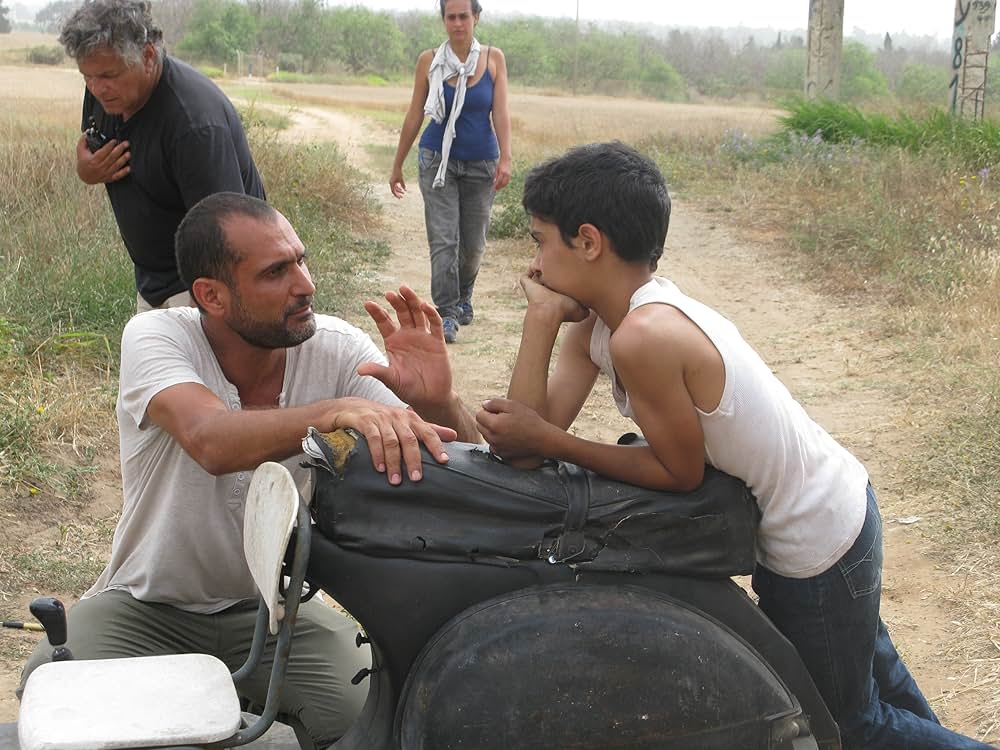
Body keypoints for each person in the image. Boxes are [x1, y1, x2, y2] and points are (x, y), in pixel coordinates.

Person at [475, 142, 996, 750]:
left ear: (588, 242)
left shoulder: (646, 335)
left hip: (816, 539)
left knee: (850, 724)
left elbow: (678, 472)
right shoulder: (604, 322)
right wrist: (540, 322)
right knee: (876, 700)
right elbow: (525, 448)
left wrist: (552, 438)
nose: (533, 261)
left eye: (540, 241)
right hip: (836, 510)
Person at [18, 192, 479, 747]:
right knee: (54, 689)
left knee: (374, 714)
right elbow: (211, 441)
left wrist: (439, 404)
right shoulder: (158, 337)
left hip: (272, 613)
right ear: (211, 295)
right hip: (147, 605)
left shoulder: (335, 348)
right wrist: (333, 411)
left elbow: (458, 470)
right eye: (275, 272)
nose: (306, 284)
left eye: (301, 261)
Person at [59, 0, 266, 313]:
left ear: (148, 55)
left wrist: (213, 318)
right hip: (153, 280)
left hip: (207, 286)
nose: (97, 89)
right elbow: (97, 152)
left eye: (108, 75)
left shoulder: (194, 125)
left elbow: (229, 236)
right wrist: (87, 170)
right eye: (87, 76)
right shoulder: (105, 90)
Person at [389, 0, 512, 344]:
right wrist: (397, 163)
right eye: (451, 17)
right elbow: (415, 113)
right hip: (436, 161)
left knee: (472, 246)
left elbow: (500, 113)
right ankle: (445, 312)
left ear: (476, 18)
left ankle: (463, 296)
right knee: (444, 240)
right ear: (443, 20)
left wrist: (506, 159)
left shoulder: (493, 59)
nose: (457, 24)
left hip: (481, 162)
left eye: (463, 16)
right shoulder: (430, 61)